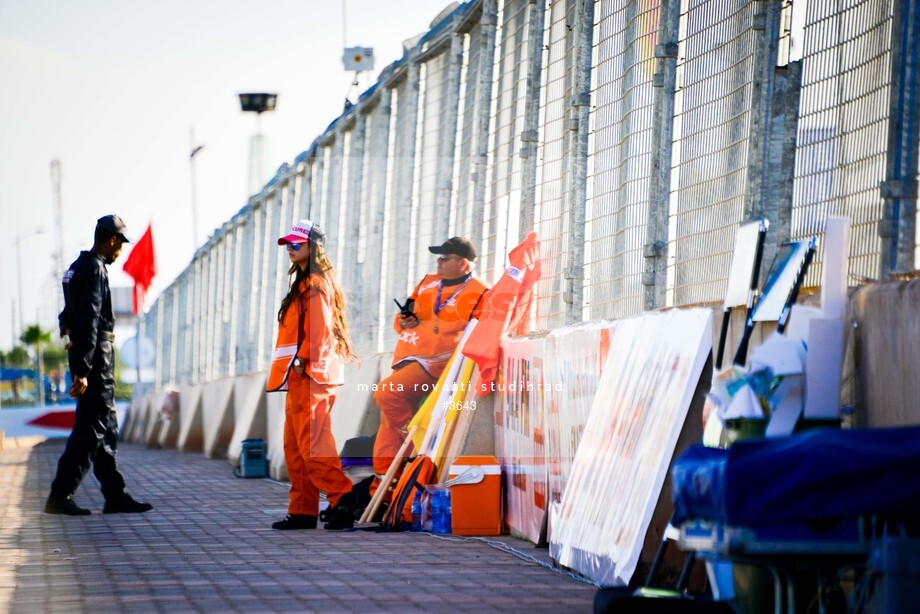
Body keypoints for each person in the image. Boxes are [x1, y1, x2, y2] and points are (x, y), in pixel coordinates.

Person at [44, 215, 153, 516]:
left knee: (105, 429)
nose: (121, 253)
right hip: (96, 357)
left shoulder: (76, 267)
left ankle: (115, 495)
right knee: (91, 429)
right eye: (121, 246)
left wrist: (67, 328)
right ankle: (60, 494)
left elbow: (70, 310)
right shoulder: (95, 269)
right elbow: (90, 318)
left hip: (87, 351)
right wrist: (82, 369)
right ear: (112, 240)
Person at [370, 237, 488, 505]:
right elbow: (402, 321)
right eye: (438, 257)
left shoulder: (481, 291)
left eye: (445, 258)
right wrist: (405, 319)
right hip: (408, 358)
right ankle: (383, 492)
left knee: (386, 395)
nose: (439, 262)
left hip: (436, 365)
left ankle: (415, 438)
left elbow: (481, 332)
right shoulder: (427, 282)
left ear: (463, 263)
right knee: (387, 425)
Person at [267, 220, 357, 531]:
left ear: (313, 247)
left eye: (296, 244)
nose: (291, 250)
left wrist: (302, 360)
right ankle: (303, 511)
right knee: (295, 447)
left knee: (312, 446)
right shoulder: (306, 283)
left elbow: (318, 330)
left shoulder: (316, 283)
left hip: (311, 376)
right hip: (302, 377)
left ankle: (343, 498)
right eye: (288, 245)